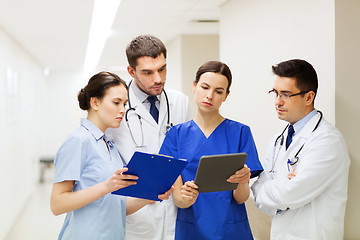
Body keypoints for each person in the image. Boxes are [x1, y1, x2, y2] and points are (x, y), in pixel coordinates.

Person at [50, 72, 172, 240]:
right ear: (95, 102)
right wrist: (106, 187)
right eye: (116, 103)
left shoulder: (108, 144)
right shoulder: (78, 141)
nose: (122, 110)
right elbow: (57, 204)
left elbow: (116, 206)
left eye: (125, 104)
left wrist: (150, 196)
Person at [158, 61, 263, 240]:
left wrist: (243, 181)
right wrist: (186, 197)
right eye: (205, 87)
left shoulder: (240, 132)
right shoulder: (176, 135)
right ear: (194, 86)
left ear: (226, 96)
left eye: (219, 91)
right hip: (191, 228)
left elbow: (241, 198)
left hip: (231, 229)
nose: (210, 96)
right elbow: (178, 199)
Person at [251, 59, 350, 239]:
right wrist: (282, 188)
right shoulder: (278, 140)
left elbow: (288, 194)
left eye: (286, 95)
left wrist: (277, 188)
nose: (277, 102)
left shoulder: (327, 141)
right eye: (275, 93)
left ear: (309, 97)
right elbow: (257, 192)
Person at [106, 35, 191, 240]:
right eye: (147, 72)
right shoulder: (116, 104)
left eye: (162, 69)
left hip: (172, 208)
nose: (158, 79)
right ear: (131, 71)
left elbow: (184, 152)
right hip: (135, 214)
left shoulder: (180, 101)